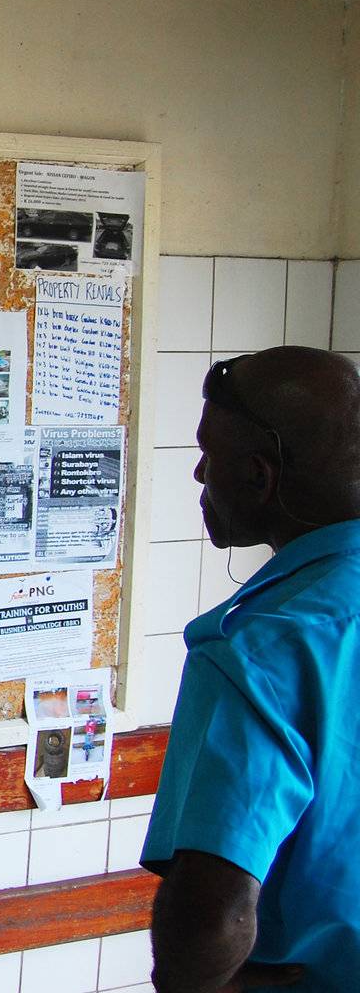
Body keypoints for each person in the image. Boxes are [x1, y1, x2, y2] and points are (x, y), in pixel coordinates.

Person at [142, 346, 360, 992]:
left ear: (258, 478)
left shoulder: (262, 648)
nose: (200, 473)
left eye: (209, 454)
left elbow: (213, 912)